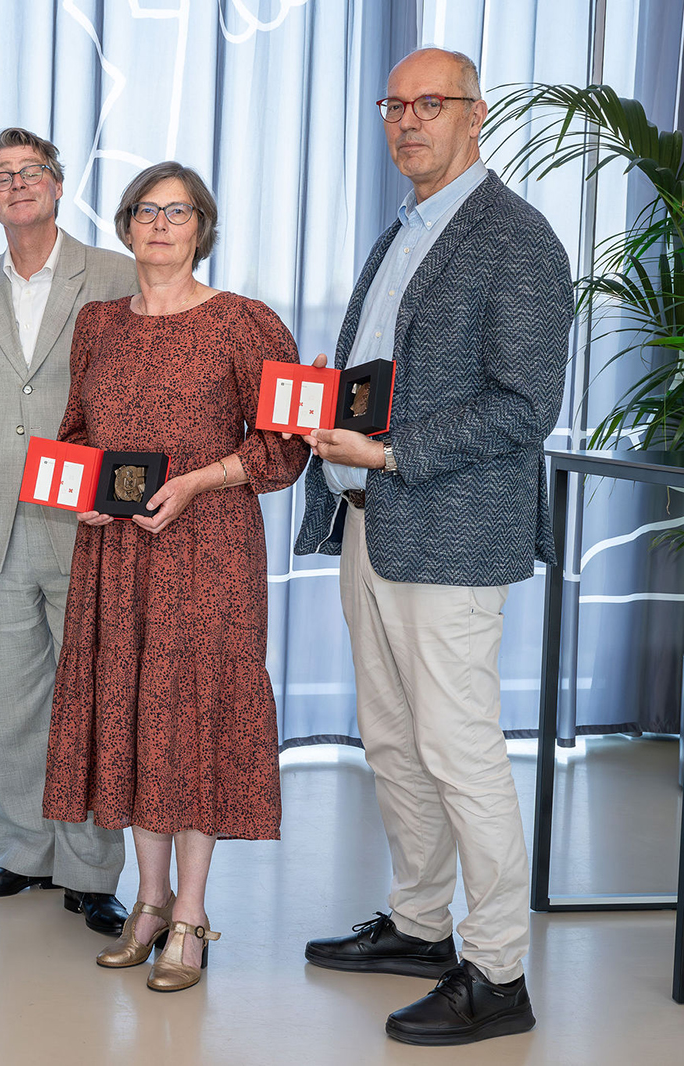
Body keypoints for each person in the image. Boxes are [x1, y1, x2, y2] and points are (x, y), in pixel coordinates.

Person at [293, 48, 572, 1046]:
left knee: (459, 752)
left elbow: (525, 406)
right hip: (371, 522)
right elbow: (397, 374)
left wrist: (387, 449)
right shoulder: (404, 230)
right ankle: (419, 925)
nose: (407, 121)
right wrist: (333, 401)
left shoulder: (517, 238)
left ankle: (496, 973)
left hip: (449, 533)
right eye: (394, 105)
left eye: (430, 103)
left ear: (474, 115)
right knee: (392, 740)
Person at [41, 162, 309, 991]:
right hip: (118, 556)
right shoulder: (97, 324)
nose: (160, 225)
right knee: (133, 717)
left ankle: (191, 913)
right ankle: (148, 903)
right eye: (146, 211)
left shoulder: (245, 322)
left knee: (193, 721)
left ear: (203, 227)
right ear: (126, 227)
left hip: (209, 553)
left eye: (178, 212)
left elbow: (283, 446)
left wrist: (199, 481)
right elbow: (77, 433)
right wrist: (85, 492)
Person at [0, 127, 137, 937]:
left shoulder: (118, 275)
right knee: (8, 702)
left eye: (32, 172)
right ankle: (23, 852)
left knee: (88, 701)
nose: (17, 184)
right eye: (1, 176)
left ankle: (90, 872)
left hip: (85, 522)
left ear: (58, 185)